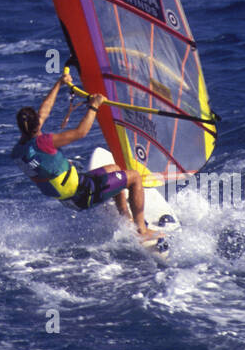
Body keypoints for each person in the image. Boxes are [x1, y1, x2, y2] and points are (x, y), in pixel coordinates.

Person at [10, 70, 159, 239]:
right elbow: (81, 132)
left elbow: (43, 114)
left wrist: (59, 83)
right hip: (83, 193)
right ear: (37, 125)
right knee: (135, 177)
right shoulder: (43, 143)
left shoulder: (20, 149)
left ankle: (125, 217)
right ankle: (142, 231)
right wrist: (94, 106)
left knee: (115, 168)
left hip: (70, 197)